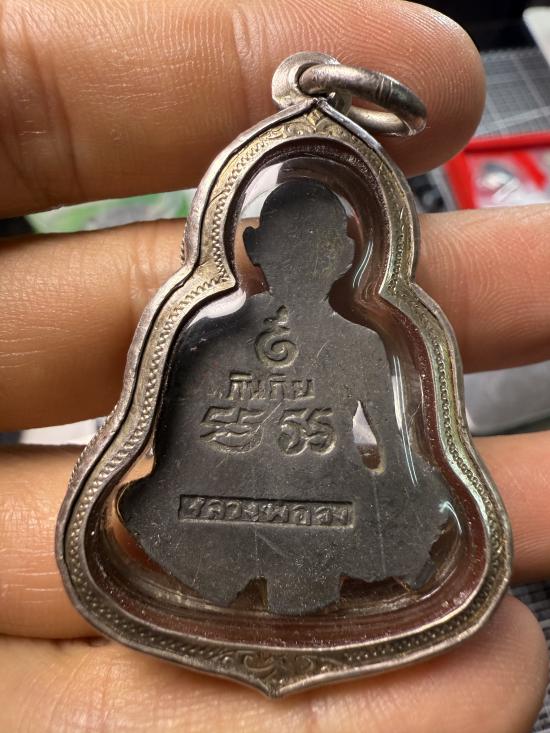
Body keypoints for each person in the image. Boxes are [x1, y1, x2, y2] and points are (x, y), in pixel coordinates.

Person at [0, 0, 548, 730]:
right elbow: (178, 448)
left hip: (320, 498)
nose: (304, 262)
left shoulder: (362, 341)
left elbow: (393, 451)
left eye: (319, 250)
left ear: (349, 258)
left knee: (410, 513)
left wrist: (388, 503)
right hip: (214, 505)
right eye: (289, 247)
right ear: (252, 251)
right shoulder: (210, 334)